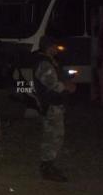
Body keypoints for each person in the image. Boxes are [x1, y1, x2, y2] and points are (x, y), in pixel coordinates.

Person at [32, 35, 76, 182]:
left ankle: (48, 166)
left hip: (53, 104)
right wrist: (67, 87)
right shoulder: (44, 63)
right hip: (51, 105)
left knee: (54, 136)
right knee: (53, 137)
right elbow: (52, 84)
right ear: (49, 47)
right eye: (54, 47)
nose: (57, 49)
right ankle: (47, 168)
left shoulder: (48, 61)